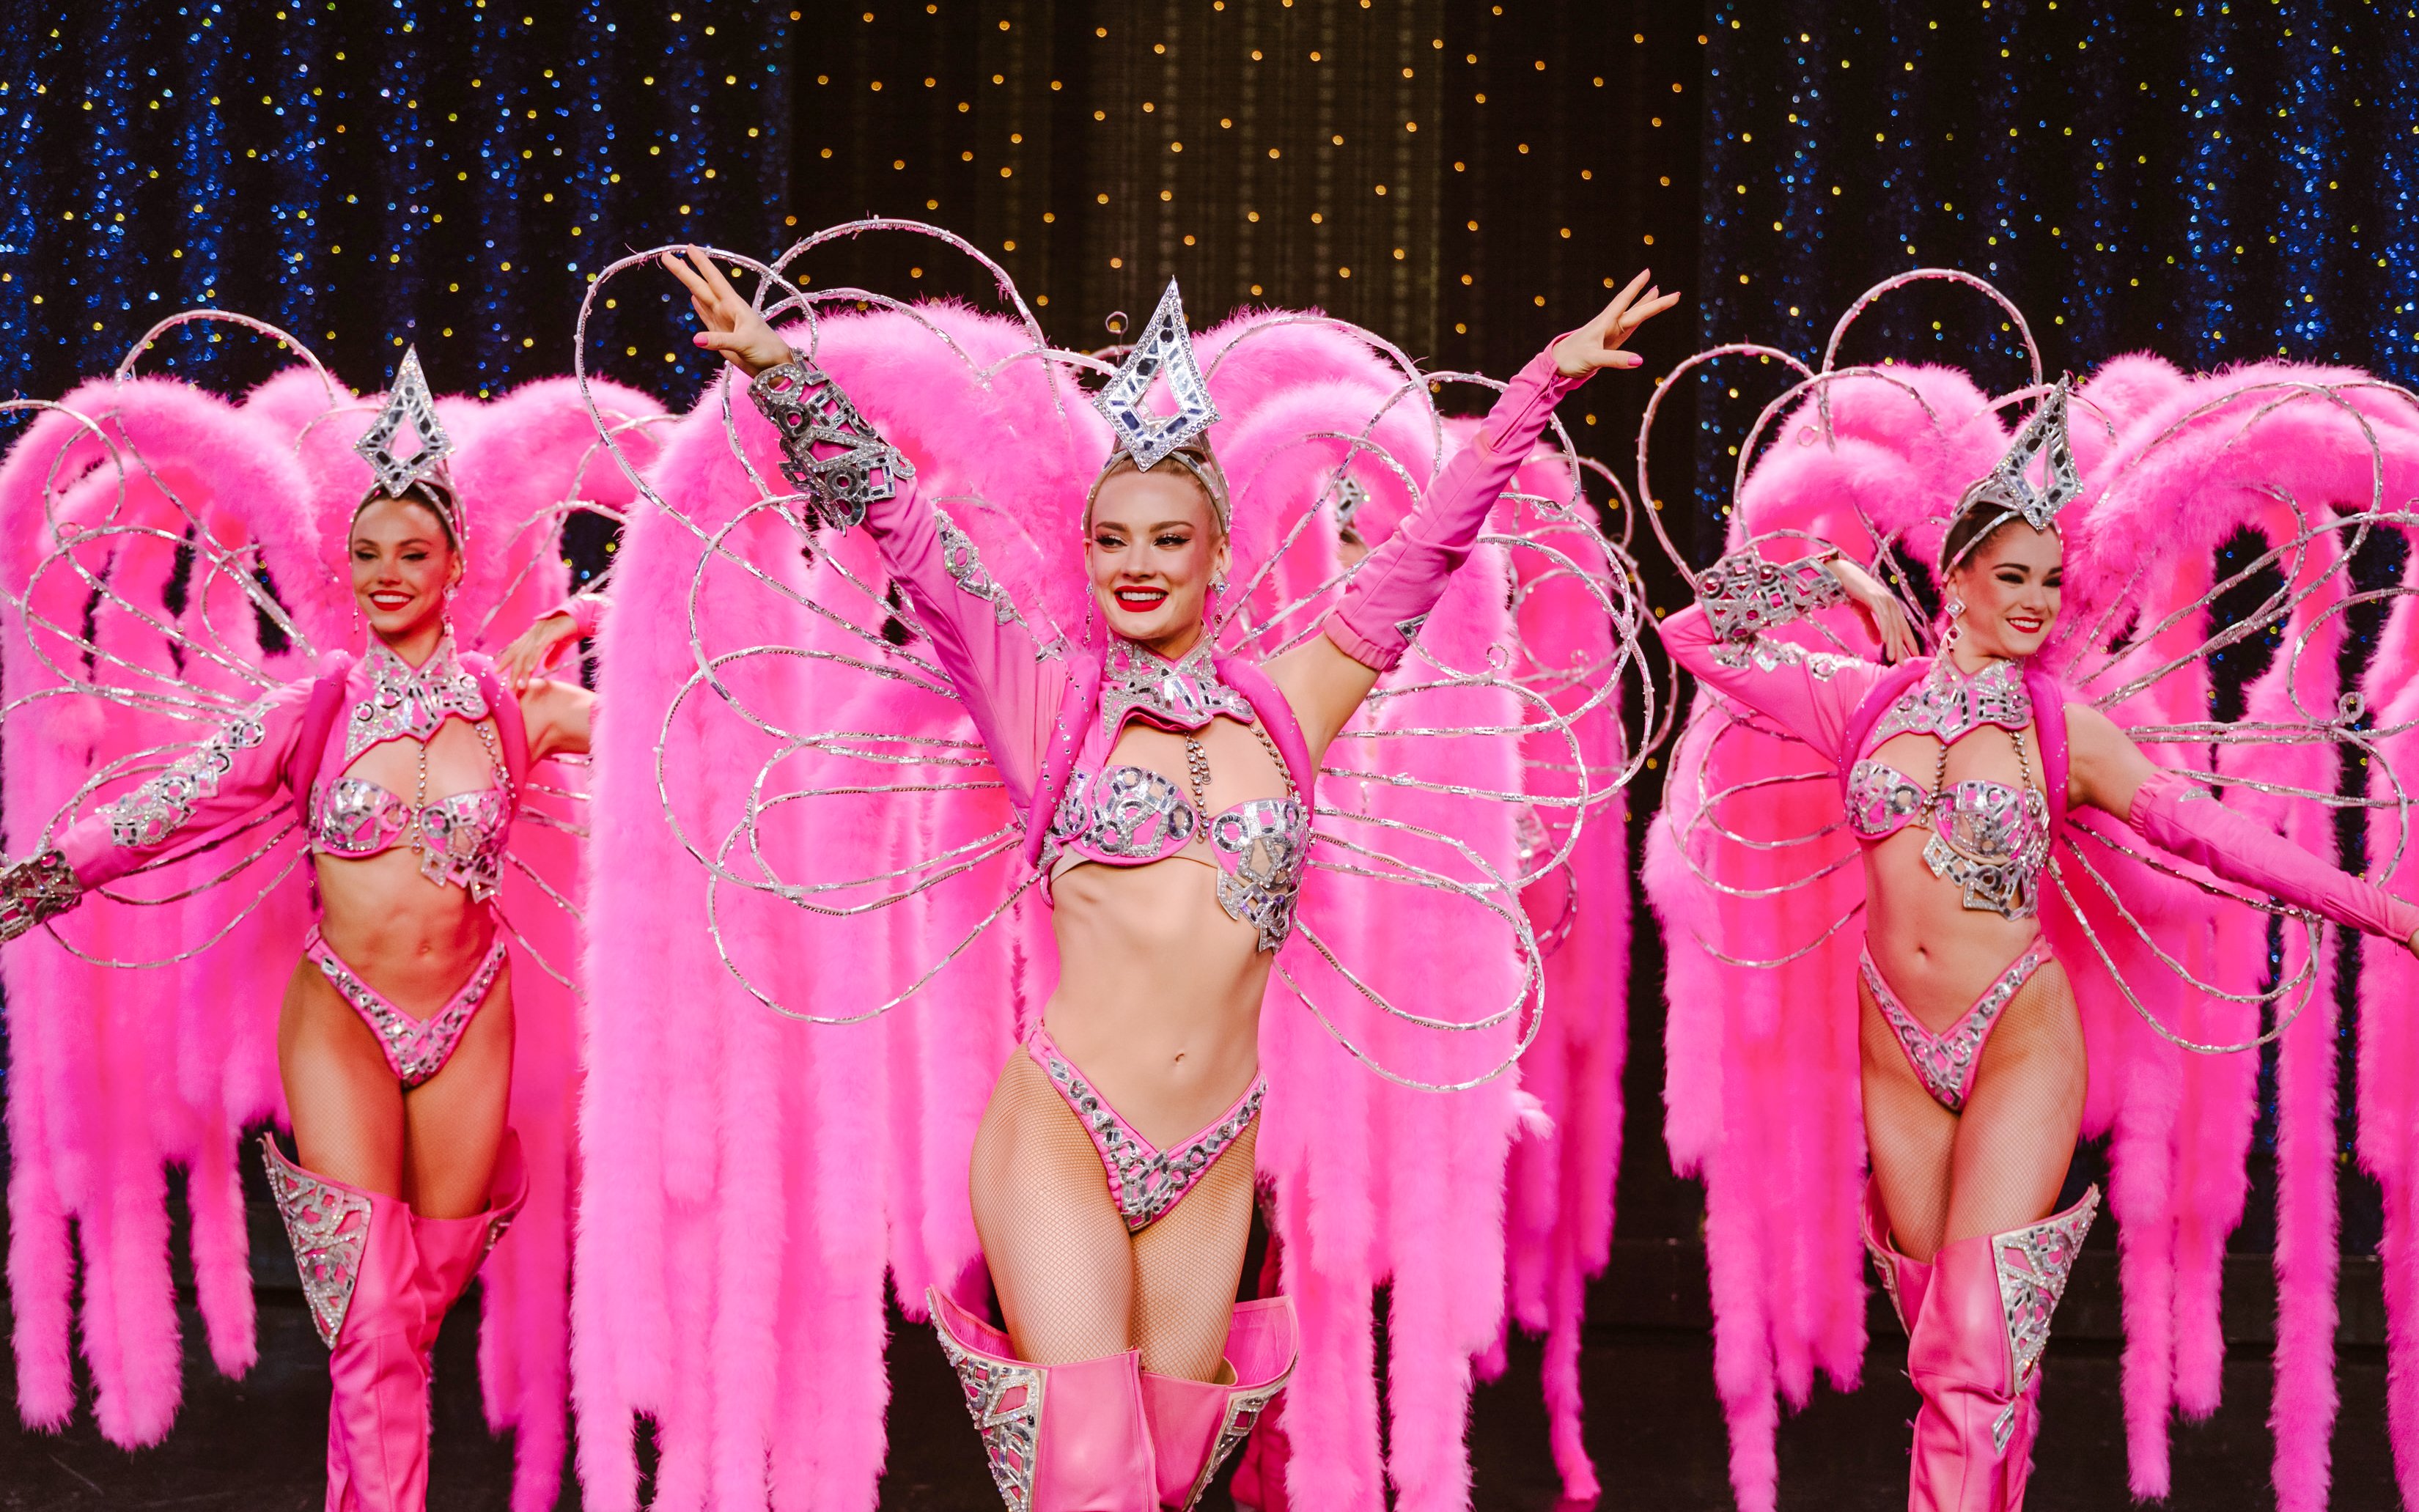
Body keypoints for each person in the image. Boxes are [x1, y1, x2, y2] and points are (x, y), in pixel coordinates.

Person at [637, 247, 1676, 1508]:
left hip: (1214, 1160)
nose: (1138, 562)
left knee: (1168, 1485)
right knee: (1092, 1480)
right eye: (1113, 537)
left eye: (1168, 537)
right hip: (1061, 1132)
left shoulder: (1295, 704)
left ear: (1217, 551)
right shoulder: (1042, 704)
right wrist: (777, 371)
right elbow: (906, 528)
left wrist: (1541, 387)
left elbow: (1426, 546)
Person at [1653, 383, 2419, 1512]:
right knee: (1955, 1356)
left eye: (2048, 580)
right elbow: (1689, 634)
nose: (2034, 600)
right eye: (2009, 575)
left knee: (1970, 1355)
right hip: (1895, 1047)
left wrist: (2387, 912)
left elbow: (2213, 837)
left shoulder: (2063, 731)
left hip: (2018, 1029)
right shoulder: (1860, 704)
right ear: (1954, 580)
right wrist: (1827, 579)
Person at [0, 353, 597, 1512]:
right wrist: (40, 878)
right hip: (341, 1022)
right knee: (371, 1316)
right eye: (366, 553)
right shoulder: (310, 710)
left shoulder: (522, 710)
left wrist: (584, 613)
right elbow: (169, 806)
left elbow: (674, 734)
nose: (383, 574)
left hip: (473, 1018)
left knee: (412, 1303)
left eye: (410, 553)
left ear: (456, 567)